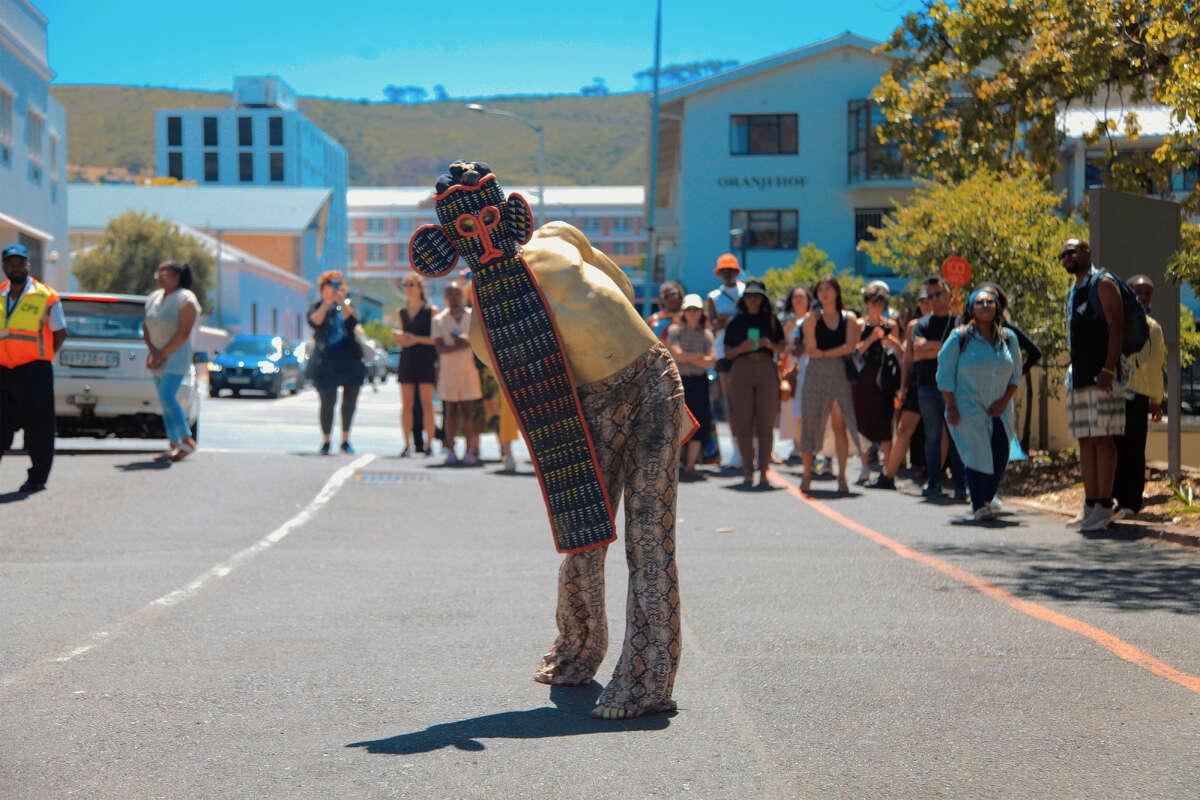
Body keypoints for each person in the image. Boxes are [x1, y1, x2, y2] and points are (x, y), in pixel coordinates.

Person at [410, 161, 687, 720]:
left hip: (652, 378)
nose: (484, 236)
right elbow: (527, 397)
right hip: (587, 407)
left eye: (488, 219)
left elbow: (623, 288)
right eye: (468, 232)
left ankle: (647, 678)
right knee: (585, 533)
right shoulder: (482, 329)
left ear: (506, 211)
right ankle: (577, 648)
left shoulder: (558, 237)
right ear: (448, 245)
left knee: (648, 532)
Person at [937, 287, 1023, 521]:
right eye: (980, 302)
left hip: (1001, 408)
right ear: (971, 308)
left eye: (990, 302)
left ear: (997, 307)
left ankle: (985, 497)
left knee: (999, 455)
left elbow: (1016, 375)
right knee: (977, 454)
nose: (985, 306)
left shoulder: (1009, 338)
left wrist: (1004, 401)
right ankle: (979, 504)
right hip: (967, 406)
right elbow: (944, 374)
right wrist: (951, 406)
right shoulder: (960, 337)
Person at [1061, 239, 1126, 532]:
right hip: (1080, 377)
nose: (1067, 257)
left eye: (1072, 252)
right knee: (1085, 439)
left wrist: (1109, 369)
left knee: (1103, 438)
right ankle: (1090, 504)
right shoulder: (1074, 290)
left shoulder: (1104, 282)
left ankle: (1104, 505)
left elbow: (1118, 327)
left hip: (1104, 376)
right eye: (1063, 254)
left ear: (1087, 252)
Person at [0, 243, 67, 493]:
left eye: (20, 262)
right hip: (3, 370)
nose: (15, 267)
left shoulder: (46, 295)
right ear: (4, 266)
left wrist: (45, 356)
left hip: (34, 370)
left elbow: (60, 332)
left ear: (28, 265)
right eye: (10, 263)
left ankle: (37, 478)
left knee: (38, 427)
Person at [799, 276, 863, 494]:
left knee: (840, 425)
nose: (824, 293)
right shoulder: (811, 319)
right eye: (820, 290)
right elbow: (811, 349)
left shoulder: (850, 318)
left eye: (828, 289)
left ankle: (842, 477)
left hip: (840, 373)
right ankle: (806, 474)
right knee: (811, 422)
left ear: (837, 292)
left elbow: (850, 347)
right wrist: (824, 353)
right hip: (815, 374)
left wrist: (825, 353)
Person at [722, 279, 786, 487]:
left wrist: (770, 345)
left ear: (763, 299)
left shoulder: (772, 320)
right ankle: (748, 470)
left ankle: (765, 470)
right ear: (743, 299)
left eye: (756, 296)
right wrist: (743, 347)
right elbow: (728, 352)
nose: (752, 300)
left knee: (766, 423)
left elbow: (782, 347)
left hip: (767, 368)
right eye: (749, 296)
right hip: (741, 369)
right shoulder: (735, 321)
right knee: (744, 422)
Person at [1113, 275, 1166, 519]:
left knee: (1133, 448)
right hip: (1112, 393)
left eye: (1147, 293)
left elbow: (1155, 366)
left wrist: (1157, 400)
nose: (1143, 297)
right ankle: (1114, 497)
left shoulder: (1153, 328)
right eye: (1138, 291)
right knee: (1113, 445)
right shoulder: (1115, 322)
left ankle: (1131, 502)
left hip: (1138, 395)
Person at [912, 276, 966, 501]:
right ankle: (934, 482)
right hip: (927, 386)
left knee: (956, 437)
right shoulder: (921, 324)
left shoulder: (958, 322)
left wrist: (932, 347)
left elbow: (961, 348)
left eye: (938, 294)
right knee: (932, 436)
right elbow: (918, 350)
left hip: (953, 388)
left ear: (948, 293)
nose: (933, 299)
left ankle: (961, 486)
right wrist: (943, 346)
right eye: (929, 296)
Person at [868, 291, 929, 490]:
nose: (928, 302)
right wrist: (903, 387)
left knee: (938, 432)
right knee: (903, 429)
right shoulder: (915, 326)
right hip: (914, 382)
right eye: (923, 299)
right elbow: (908, 359)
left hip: (940, 384)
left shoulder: (952, 322)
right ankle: (888, 476)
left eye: (934, 296)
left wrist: (929, 347)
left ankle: (937, 478)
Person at [143, 260, 201, 462]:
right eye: (158, 272)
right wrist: (153, 352)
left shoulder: (185, 299)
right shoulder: (153, 298)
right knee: (164, 401)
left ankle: (187, 439)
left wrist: (163, 353)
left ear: (177, 277)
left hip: (176, 356)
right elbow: (146, 325)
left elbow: (183, 332)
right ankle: (174, 445)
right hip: (157, 355)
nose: (159, 276)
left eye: (164, 273)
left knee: (168, 396)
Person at [308, 271, 366, 455]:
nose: (333, 289)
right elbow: (314, 321)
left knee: (349, 402)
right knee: (327, 401)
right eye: (330, 286)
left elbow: (353, 321)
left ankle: (345, 439)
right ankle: (326, 440)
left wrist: (341, 301)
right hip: (326, 361)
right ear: (322, 288)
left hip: (350, 359)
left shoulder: (347, 305)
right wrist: (327, 303)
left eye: (337, 285)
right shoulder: (317, 306)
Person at [852, 282, 903, 482]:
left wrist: (892, 342)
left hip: (884, 378)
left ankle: (888, 468)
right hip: (863, 377)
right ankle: (865, 466)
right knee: (862, 421)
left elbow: (900, 352)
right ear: (867, 303)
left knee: (884, 422)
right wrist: (872, 338)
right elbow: (854, 352)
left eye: (880, 302)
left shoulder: (890, 325)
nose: (876, 305)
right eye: (873, 301)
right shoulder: (859, 324)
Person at [432, 281, 483, 466]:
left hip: (468, 371)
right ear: (445, 298)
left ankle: (471, 449)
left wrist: (456, 342)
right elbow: (440, 348)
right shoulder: (438, 320)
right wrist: (460, 342)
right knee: (450, 413)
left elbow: (474, 342)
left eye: (456, 294)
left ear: (462, 296)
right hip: (448, 373)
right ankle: (451, 449)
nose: (454, 298)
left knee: (469, 413)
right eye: (450, 295)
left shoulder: (472, 317)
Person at [667, 293, 716, 479]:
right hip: (679, 381)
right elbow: (677, 355)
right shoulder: (675, 331)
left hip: (699, 382)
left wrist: (689, 357)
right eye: (689, 310)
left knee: (698, 422)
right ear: (684, 312)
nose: (693, 313)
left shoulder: (707, 334)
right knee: (676, 422)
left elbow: (712, 361)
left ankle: (690, 465)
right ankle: (675, 464)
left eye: (696, 310)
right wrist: (699, 357)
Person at [705, 253, 746, 470]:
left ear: (737, 272)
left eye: (731, 270)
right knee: (731, 402)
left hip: (748, 352)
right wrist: (730, 320)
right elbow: (713, 324)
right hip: (723, 353)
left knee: (750, 403)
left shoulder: (747, 292)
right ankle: (737, 452)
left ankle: (754, 449)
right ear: (719, 273)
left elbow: (753, 322)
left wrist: (726, 319)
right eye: (724, 271)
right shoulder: (713, 296)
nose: (728, 274)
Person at [394, 273, 438, 456]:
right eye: (406, 284)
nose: (409, 288)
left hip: (426, 359)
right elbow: (403, 339)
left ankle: (429, 443)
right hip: (407, 359)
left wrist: (415, 339)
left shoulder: (431, 311)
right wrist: (400, 339)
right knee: (407, 405)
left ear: (420, 288)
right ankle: (407, 445)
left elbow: (436, 339)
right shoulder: (401, 312)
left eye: (413, 284)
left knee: (428, 404)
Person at [779, 286, 811, 463]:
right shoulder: (787, 322)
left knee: (806, 406)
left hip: (808, 365)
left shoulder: (812, 319)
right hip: (791, 367)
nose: (798, 300)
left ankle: (806, 445)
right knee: (791, 407)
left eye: (802, 297)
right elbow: (783, 346)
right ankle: (796, 444)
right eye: (795, 297)